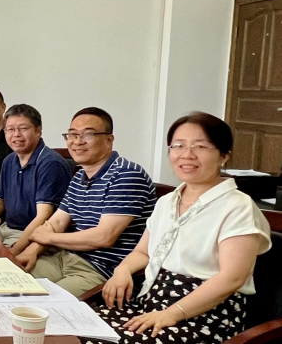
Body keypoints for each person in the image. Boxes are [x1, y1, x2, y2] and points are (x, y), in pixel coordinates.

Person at [84, 113, 271, 344]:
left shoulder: (238, 206)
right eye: (178, 146)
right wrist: (122, 271)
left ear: (224, 155)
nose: (187, 154)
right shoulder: (167, 202)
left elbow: (232, 278)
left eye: (200, 146)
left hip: (204, 317)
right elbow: (143, 252)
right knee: (67, 329)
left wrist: (171, 314)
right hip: (149, 304)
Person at [22, 107, 156, 296]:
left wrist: (49, 238)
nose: (78, 141)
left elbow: (103, 237)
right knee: (9, 282)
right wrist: (34, 249)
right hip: (64, 258)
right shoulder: (79, 176)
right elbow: (57, 221)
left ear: (109, 140)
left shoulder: (126, 175)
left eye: (88, 135)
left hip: (100, 271)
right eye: (72, 134)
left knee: (37, 302)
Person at [0, 104, 71, 256]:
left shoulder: (50, 163)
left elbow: (43, 217)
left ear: (38, 131)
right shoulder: (9, 160)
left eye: (23, 128)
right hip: (5, 229)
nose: (16, 134)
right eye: (10, 129)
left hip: (31, 235)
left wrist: (14, 252)